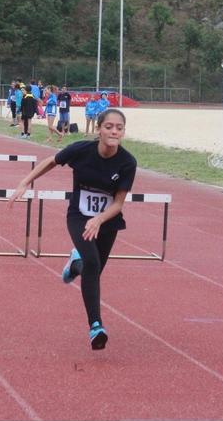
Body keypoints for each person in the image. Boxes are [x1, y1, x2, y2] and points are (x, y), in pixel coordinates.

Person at [8, 109, 137, 350]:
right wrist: (24, 183)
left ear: (124, 132)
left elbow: (118, 203)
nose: (114, 131)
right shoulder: (81, 150)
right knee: (93, 264)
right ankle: (96, 326)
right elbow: (50, 162)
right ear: (98, 129)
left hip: (107, 220)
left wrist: (99, 219)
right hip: (79, 216)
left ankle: (74, 262)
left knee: (93, 272)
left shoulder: (127, 162)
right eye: (109, 126)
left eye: (119, 127)